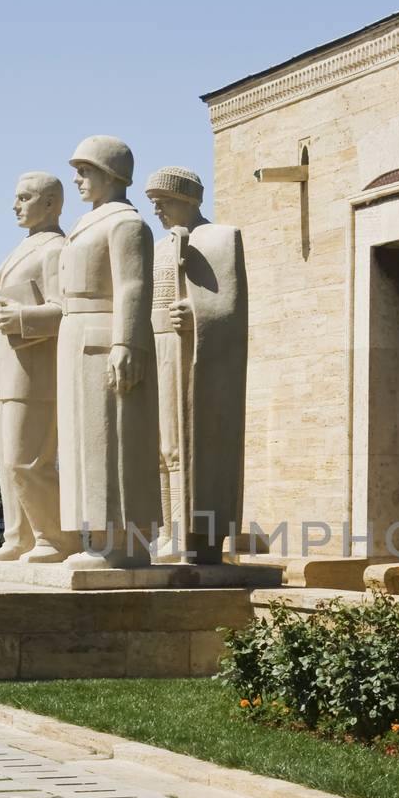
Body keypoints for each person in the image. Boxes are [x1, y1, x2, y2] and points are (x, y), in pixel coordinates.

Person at [57, 136, 160, 568]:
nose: (78, 180)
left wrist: (127, 341)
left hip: (107, 334)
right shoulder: (92, 222)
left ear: (111, 174)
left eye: (86, 171)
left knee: (111, 440)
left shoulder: (126, 224)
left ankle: (119, 542)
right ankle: (96, 536)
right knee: (85, 442)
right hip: (77, 333)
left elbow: (134, 284)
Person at [144, 166, 247, 563]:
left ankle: (192, 533)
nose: (157, 210)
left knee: (181, 448)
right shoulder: (157, 247)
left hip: (190, 352)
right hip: (158, 347)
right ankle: (168, 531)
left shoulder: (220, 238)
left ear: (186, 199)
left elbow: (233, 305)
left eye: (163, 202)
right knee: (160, 448)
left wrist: (195, 313)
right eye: (153, 203)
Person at [0, 172, 67, 562]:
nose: (15, 205)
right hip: (12, 370)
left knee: (27, 460)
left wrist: (21, 320)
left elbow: (65, 311)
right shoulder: (23, 248)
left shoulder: (55, 250)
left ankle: (56, 537)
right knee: (9, 463)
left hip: (38, 372)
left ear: (50, 203)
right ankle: (20, 536)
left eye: (24, 197)